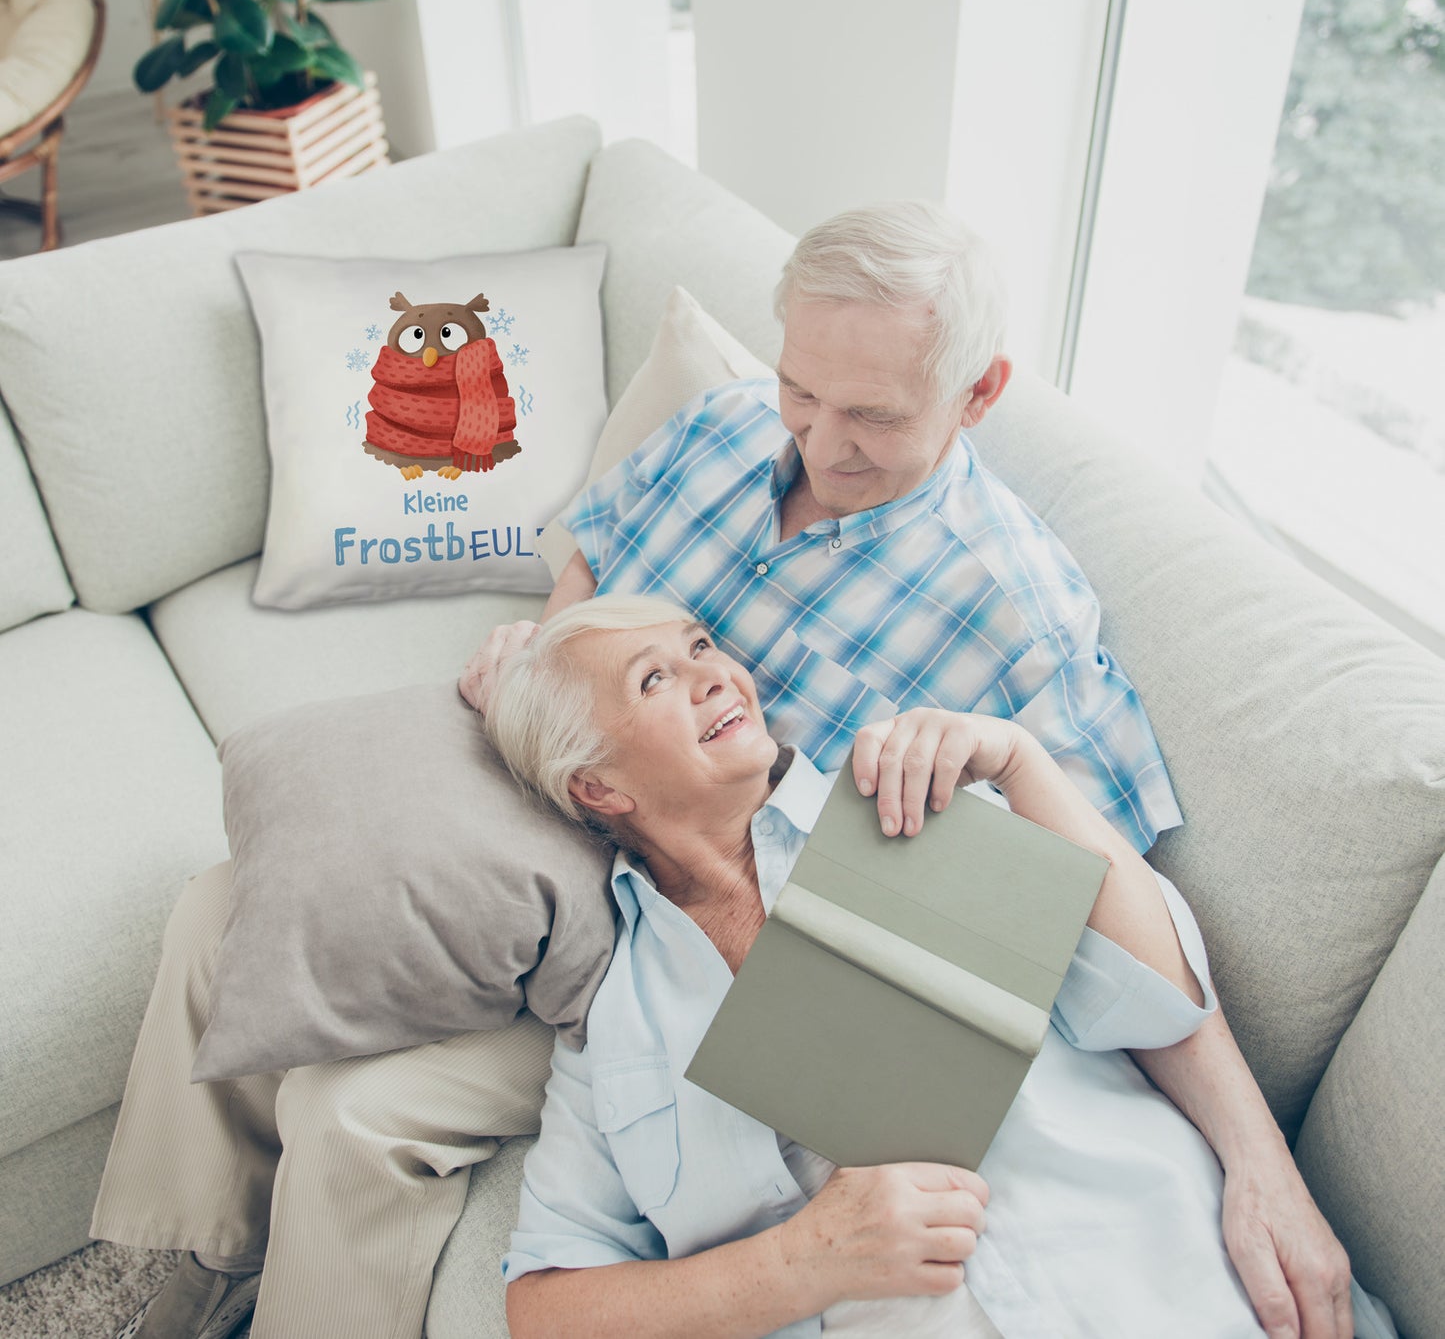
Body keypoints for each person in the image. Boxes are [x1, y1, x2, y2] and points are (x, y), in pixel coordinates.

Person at [94, 203, 1348, 1339]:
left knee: (355, 1112)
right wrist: (545, 658)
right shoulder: (725, 426)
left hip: (691, 909)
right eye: (804, 389)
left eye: (871, 414)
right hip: (580, 782)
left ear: (976, 395)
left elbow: (1103, 915)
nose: (818, 439)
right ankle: (192, 1258)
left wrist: (1260, 1161)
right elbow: (593, 559)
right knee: (229, 901)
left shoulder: (1016, 618)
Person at [487, 595, 1384, 1339]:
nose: (715, 673)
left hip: (1174, 1285)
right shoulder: (614, 1026)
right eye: (655, 678)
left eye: (700, 646)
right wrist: (803, 1261)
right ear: (597, 787)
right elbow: (545, 1306)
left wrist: (1021, 762)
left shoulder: (909, 801)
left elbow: (1158, 1000)